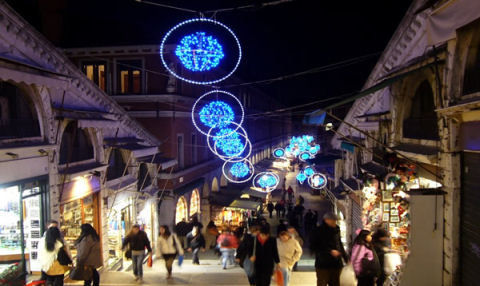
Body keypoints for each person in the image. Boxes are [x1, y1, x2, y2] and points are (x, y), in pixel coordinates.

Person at [310, 212, 348, 286]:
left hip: (336, 264)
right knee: (322, 283)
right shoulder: (318, 230)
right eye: (333, 220)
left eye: (336, 221)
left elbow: (339, 244)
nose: (335, 222)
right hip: (323, 264)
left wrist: (345, 258)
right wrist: (329, 251)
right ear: (326, 220)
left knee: (335, 283)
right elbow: (314, 246)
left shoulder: (337, 229)